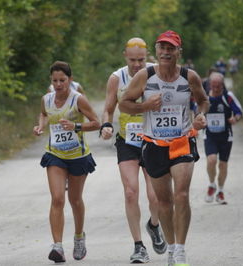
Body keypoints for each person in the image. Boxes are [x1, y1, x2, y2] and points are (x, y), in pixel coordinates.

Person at [119, 30, 210, 266]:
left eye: (171, 49)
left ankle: (180, 249)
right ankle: (170, 246)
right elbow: (124, 104)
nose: (166, 53)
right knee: (164, 202)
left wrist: (200, 115)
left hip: (181, 142)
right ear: (156, 51)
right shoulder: (144, 76)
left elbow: (203, 100)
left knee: (181, 194)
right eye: (162, 48)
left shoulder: (189, 77)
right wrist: (146, 106)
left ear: (179, 52)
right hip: (153, 144)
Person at [100, 37, 166, 263]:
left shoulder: (155, 73)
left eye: (141, 60)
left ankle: (154, 225)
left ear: (147, 56)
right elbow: (108, 109)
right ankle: (138, 246)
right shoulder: (116, 78)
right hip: (127, 141)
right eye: (132, 60)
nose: (137, 65)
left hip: (153, 139)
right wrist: (106, 125)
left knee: (154, 195)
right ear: (124, 56)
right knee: (130, 192)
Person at [33, 61, 100, 263]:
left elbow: (96, 123)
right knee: (57, 198)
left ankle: (79, 237)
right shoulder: (46, 99)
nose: (59, 84)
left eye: (62, 80)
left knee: (75, 200)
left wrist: (76, 126)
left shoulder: (78, 99)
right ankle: (58, 246)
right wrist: (40, 126)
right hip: (55, 155)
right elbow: (44, 114)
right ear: (51, 81)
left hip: (78, 157)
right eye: (55, 81)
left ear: (70, 80)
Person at [203, 72, 243, 205]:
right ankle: (211, 184)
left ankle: (220, 191)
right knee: (211, 160)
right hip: (210, 135)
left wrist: (235, 118)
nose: (215, 89)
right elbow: (196, 110)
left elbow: (239, 111)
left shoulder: (228, 96)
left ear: (222, 85)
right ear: (209, 84)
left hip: (225, 135)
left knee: (223, 164)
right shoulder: (204, 97)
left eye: (218, 86)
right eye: (213, 86)